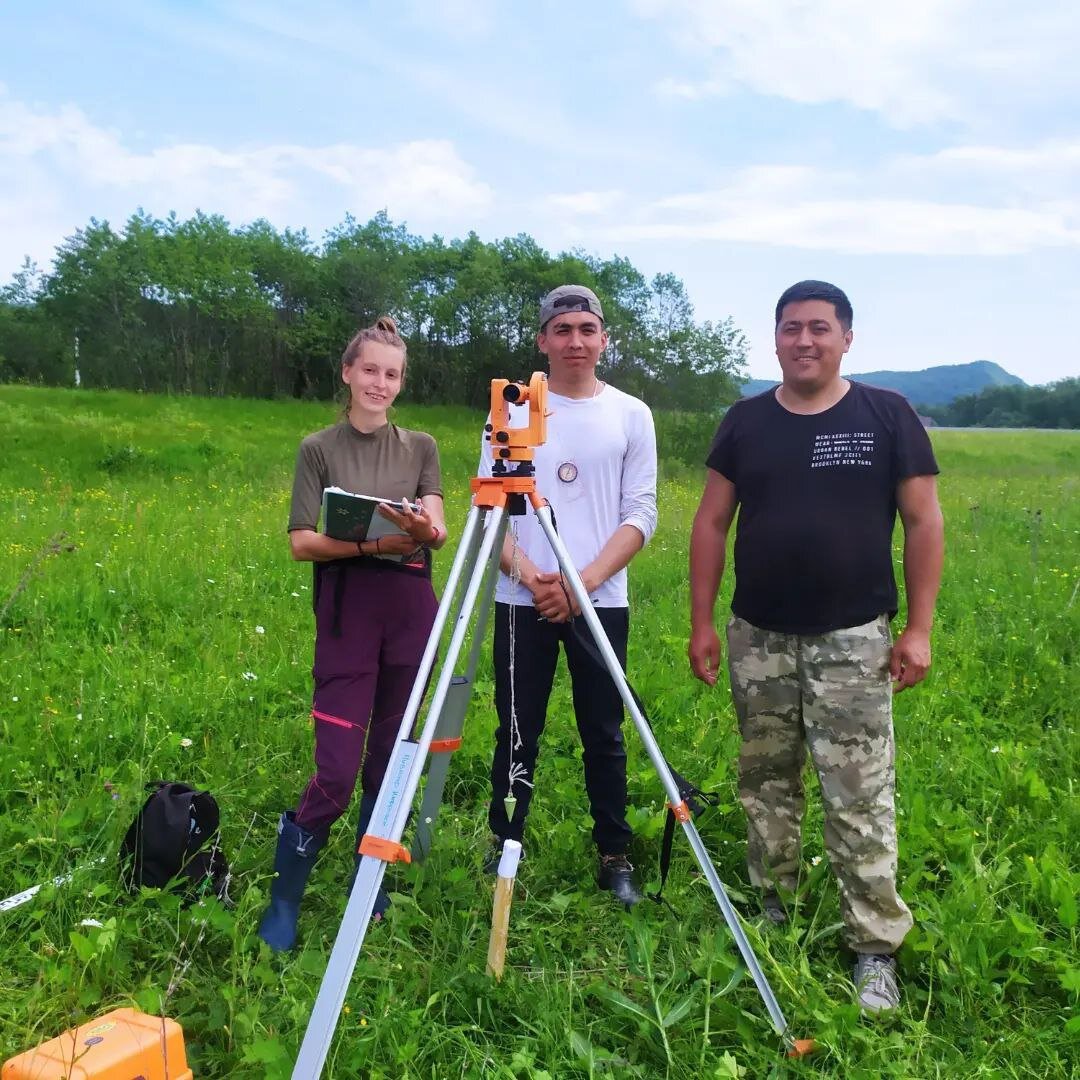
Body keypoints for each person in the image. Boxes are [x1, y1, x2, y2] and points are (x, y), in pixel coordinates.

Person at [687, 280, 944, 1012]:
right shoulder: (744, 423)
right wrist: (702, 623)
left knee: (858, 794)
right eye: (792, 328)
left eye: (820, 328)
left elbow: (924, 523)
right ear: (774, 338)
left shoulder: (887, 415)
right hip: (757, 637)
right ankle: (775, 909)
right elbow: (710, 523)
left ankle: (873, 947)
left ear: (846, 338)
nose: (805, 340)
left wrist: (917, 628)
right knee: (766, 779)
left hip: (853, 640)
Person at [258, 316, 448, 952]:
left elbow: (438, 528)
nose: (380, 382)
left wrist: (420, 532)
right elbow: (301, 541)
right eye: (370, 370)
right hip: (347, 610)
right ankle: (286, 895)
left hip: (410, 606)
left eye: (392, 374)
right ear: (347, 372)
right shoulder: (318, 447)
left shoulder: (421, 446)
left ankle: (371, 887)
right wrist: (371, 540)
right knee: (337, 768)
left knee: (391, 759)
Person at [479, 285, 658, 907]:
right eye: (563, 330)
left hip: (601, 601)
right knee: (516, 727)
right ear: (543, 341)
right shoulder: (511, 410)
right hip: (520, 597)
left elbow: (641, 514)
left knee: (604, 732)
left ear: (604, 339)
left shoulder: (633, 414)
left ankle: (613, 851)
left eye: (587, 328)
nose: (575, 341)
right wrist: (532, 576)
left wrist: (581, 587)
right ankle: (505, 841)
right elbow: (489, 515)